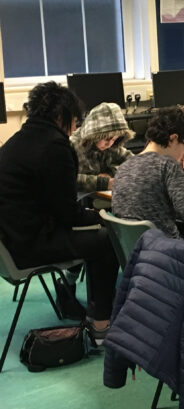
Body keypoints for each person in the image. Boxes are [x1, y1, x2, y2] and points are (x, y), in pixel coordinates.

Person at [0, 81, 119, 341]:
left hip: (9, 243)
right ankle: (101, 326)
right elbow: (69, 215)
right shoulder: (55, 146)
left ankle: (84, 305)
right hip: (30, 246)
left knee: (95, 232)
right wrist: (105, 218)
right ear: (60, 115)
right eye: (75, 120)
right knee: (106, 240)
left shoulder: (15, 142)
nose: (75, 127)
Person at [112, 107, 184, 239]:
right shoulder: (168, 165)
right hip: (165, 251)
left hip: (134, 251)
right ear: (174, 139)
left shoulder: (124, 167)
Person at [70, 102, 134, 192]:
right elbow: (65, 178)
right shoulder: (71, 146)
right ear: (94, 136)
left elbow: (133, 161)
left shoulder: (111, 146)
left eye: (114, 139)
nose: (109, 144)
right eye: (107, 139)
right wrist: (103, 183)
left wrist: (111, 171)